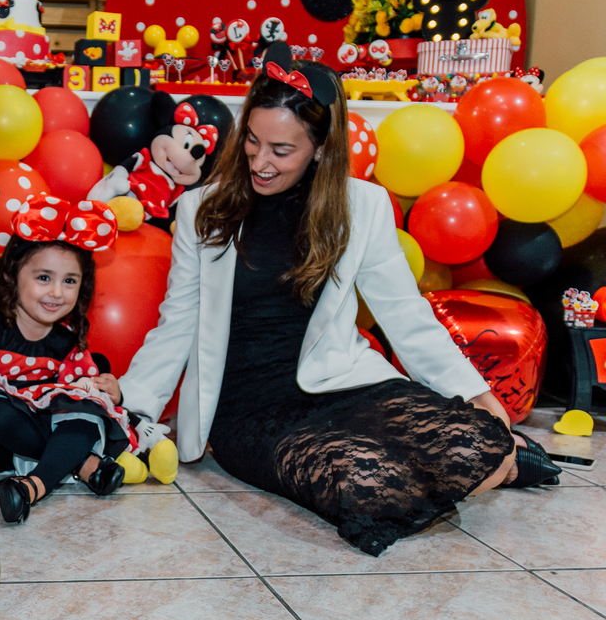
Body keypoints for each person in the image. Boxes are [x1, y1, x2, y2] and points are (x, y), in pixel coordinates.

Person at [119, 41, 561, 556]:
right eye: (253, 142)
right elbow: (176, 324)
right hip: (250, 411)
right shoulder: (200, 209)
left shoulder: (362, 206)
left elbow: (406, 315)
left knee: (477, 439)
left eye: (282, 150)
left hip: (346, 385)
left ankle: (494, 460)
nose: (261, 162)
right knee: (363, 485)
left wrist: (475, 393)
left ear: (321, 148)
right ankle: (495, 469)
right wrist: (131, 407)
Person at [0, 195, 153, 522]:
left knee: (86, 412)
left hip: (38, 427)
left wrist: (112, 390)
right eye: (44, 278)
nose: (57, 292)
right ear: (12, 276)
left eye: (69, 281)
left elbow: (87, 389)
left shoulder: (66, 342)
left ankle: (31, 488)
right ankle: (84, 465)